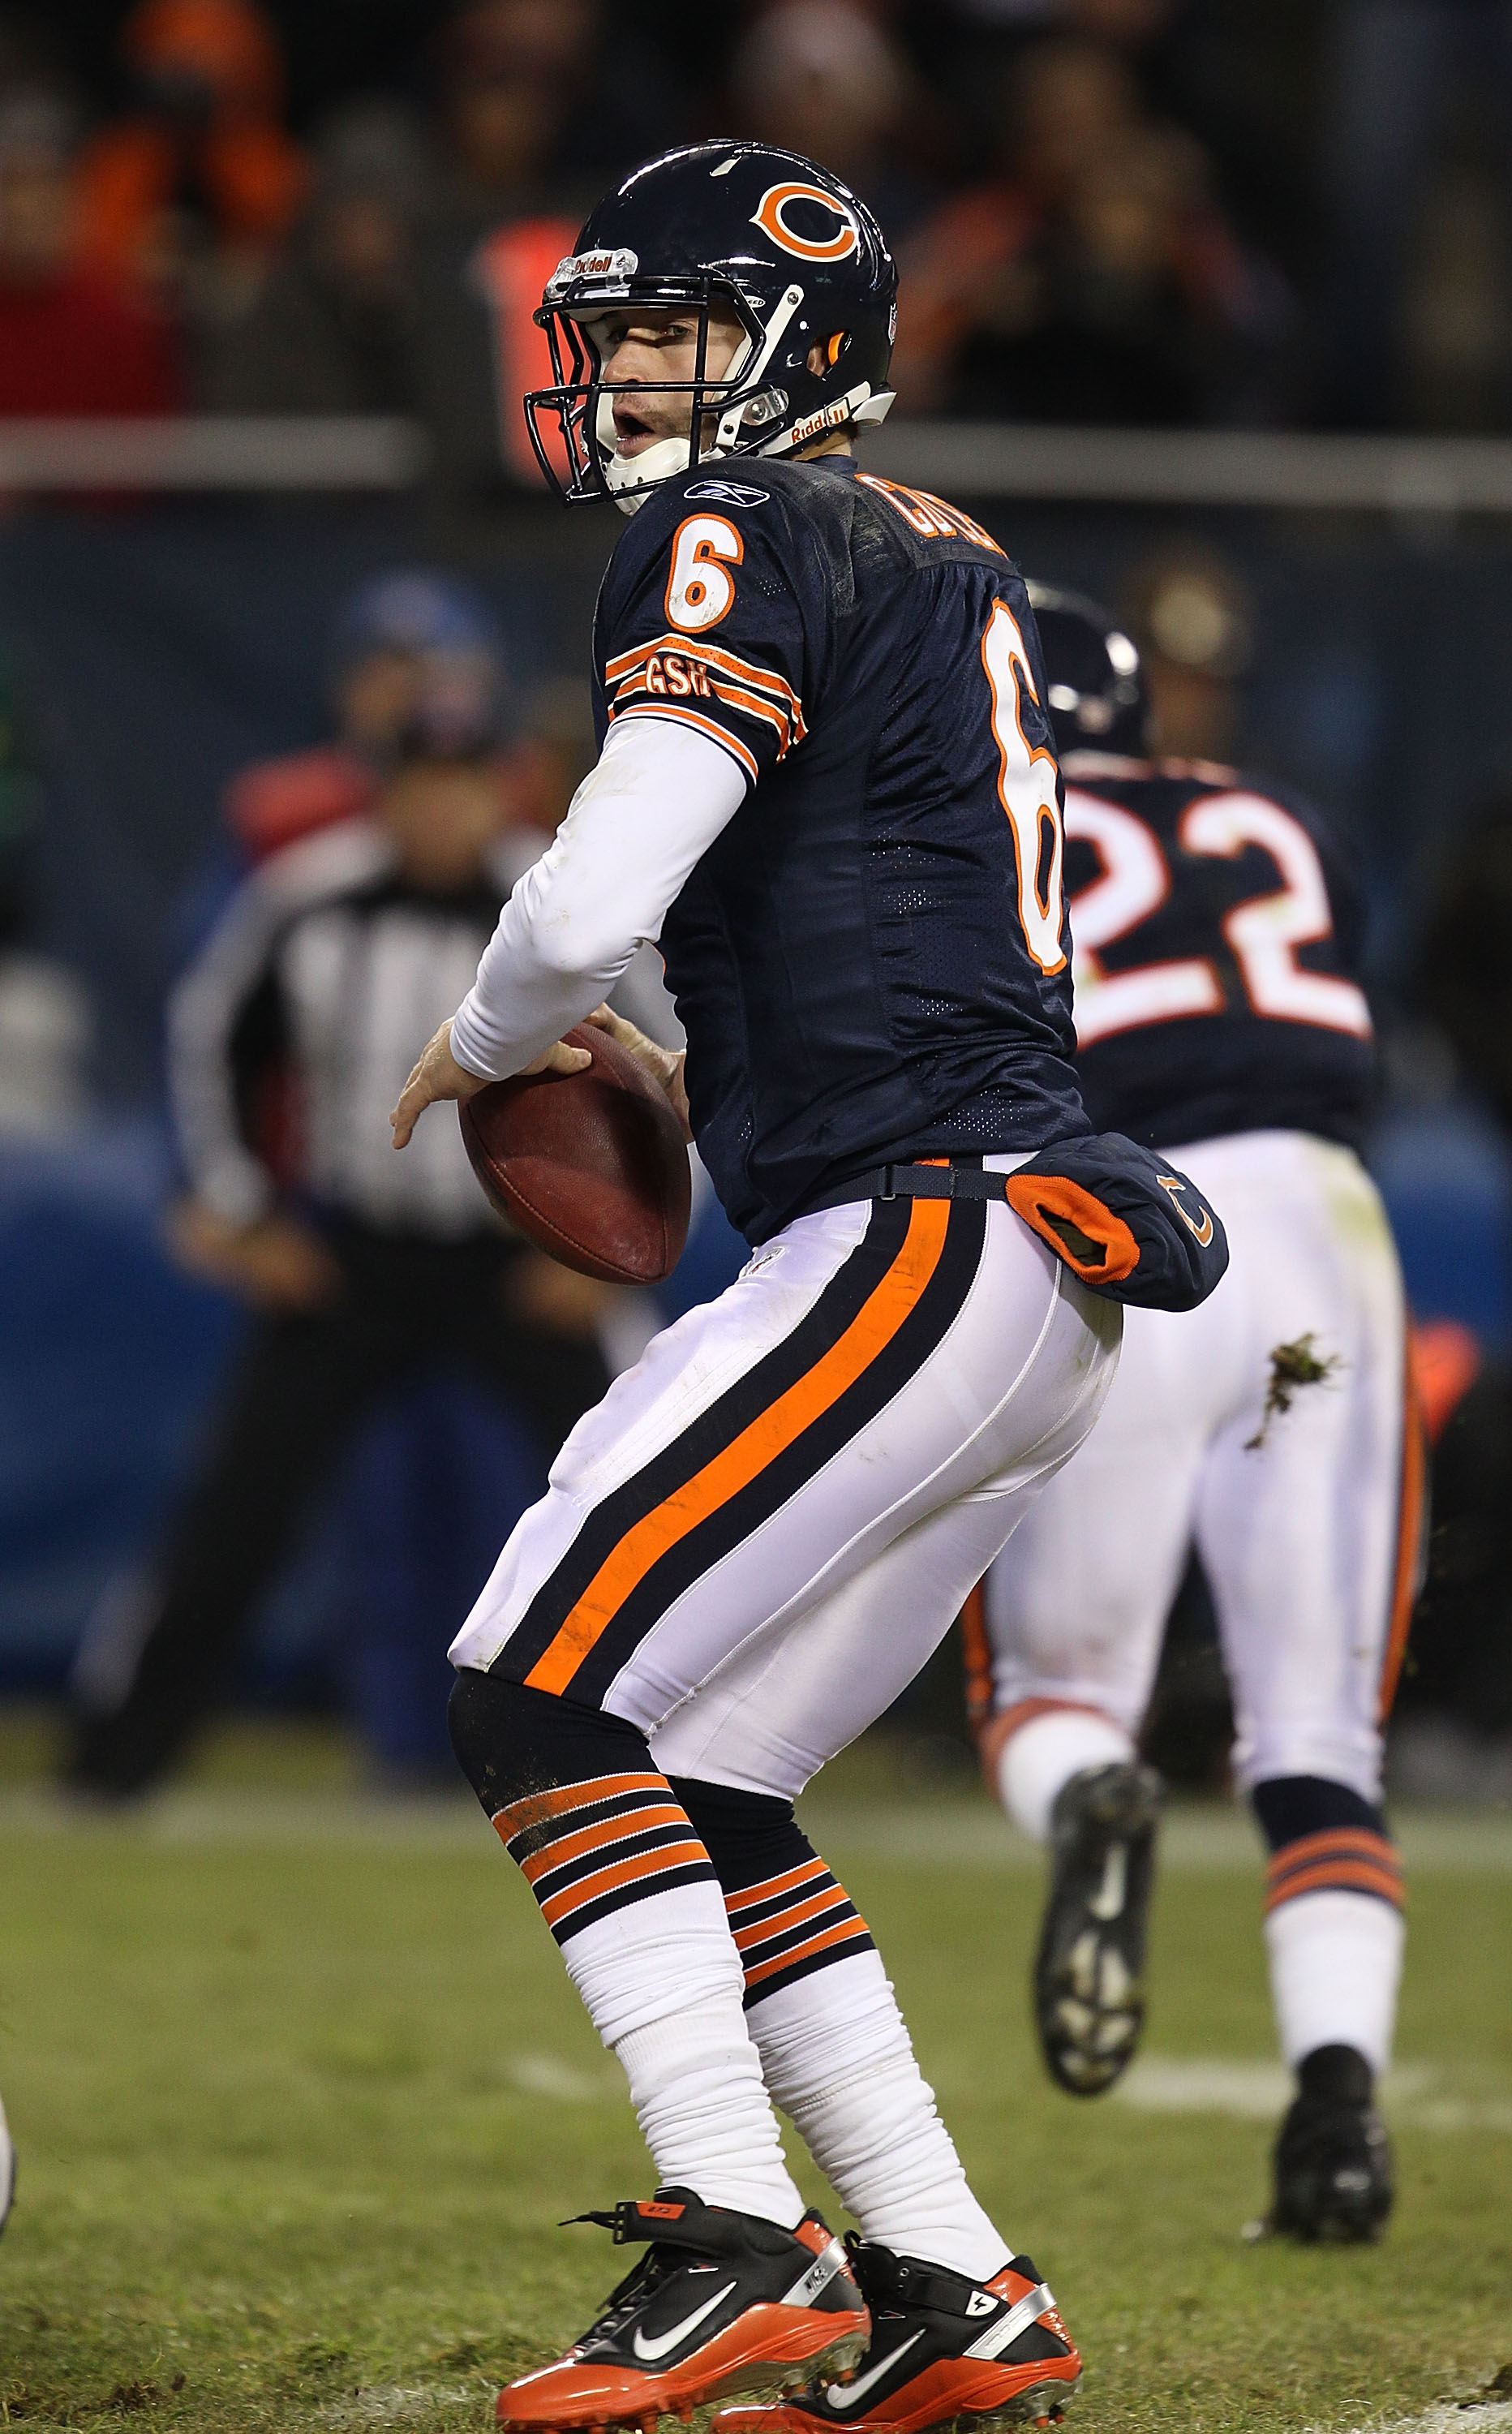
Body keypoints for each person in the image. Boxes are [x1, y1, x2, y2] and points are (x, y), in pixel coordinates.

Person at [390, 140, 1225, 2434]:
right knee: (707, 1774)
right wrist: (696, 1063)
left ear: (795, 345)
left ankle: (737, 2239)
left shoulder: (740, 525)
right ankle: (955, 2285)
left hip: (923, 1231)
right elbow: (881, 901)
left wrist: (487, 1032)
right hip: (1001, 1248)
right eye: (615, 337)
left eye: (666, 331)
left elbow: (586, 897)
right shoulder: (934, 543)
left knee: (536, 1689)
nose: (625, 378)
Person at [966, 587, 1415, 2242]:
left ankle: (1093, 1798)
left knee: (1051, 1693)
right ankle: (1336, 2119)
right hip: (1326, 1229)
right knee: (1318, 1734)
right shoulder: (1276, 817)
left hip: (1131, 1223)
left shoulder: (975, 824)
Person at [63, 672, 610, 1801]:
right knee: (236, 1513)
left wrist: (599, 1251)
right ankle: (114, 1767)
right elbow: (208, 1035)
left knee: (629, 1490)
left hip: (513, 1263)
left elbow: (662, 1077)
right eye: (421, 785)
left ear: (498, 793)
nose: (442, 811)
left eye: (464, 786)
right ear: (383, 791)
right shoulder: (306, 896)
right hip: (350, 1257)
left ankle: (682, 1755)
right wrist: (237, 1208)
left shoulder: (560, 906)